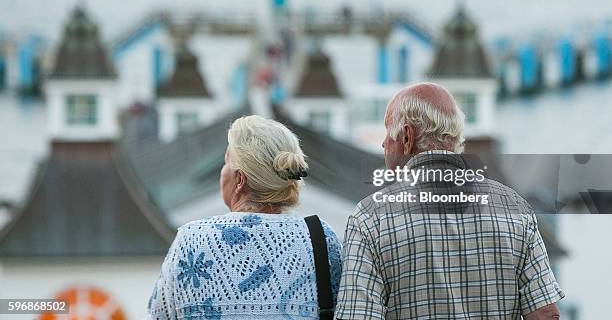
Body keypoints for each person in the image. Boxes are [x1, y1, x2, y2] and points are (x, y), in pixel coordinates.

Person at [335, 82, 564, 320]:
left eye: (387, 131)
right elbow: (545, 314)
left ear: (406, 137)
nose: (383, 143)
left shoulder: (369, 218)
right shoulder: (514, 208)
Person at [147, 115, 342, 319]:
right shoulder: (321, 239)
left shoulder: (192, 239)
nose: (222, 173)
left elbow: (158, 314)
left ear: (240, 179)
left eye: (225, 163)